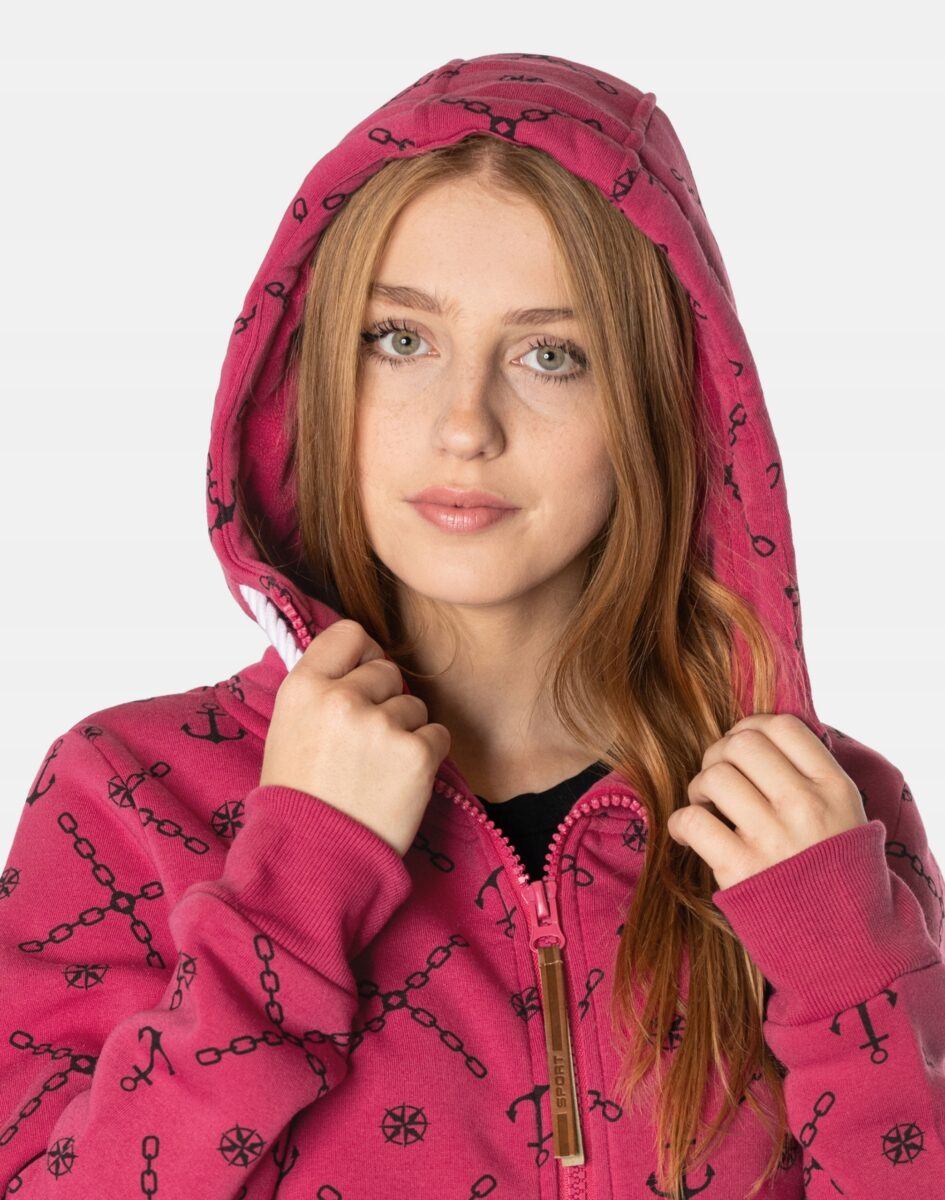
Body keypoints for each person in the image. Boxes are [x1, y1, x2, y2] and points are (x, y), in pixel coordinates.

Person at [1, 51, 942, 1200]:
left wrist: (849, 976)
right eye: (401, 339)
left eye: (552, 356)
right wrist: (293, 888)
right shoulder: (131, 795)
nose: (464, 425)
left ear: (660, 401)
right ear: (313, 372)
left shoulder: (817, 819)